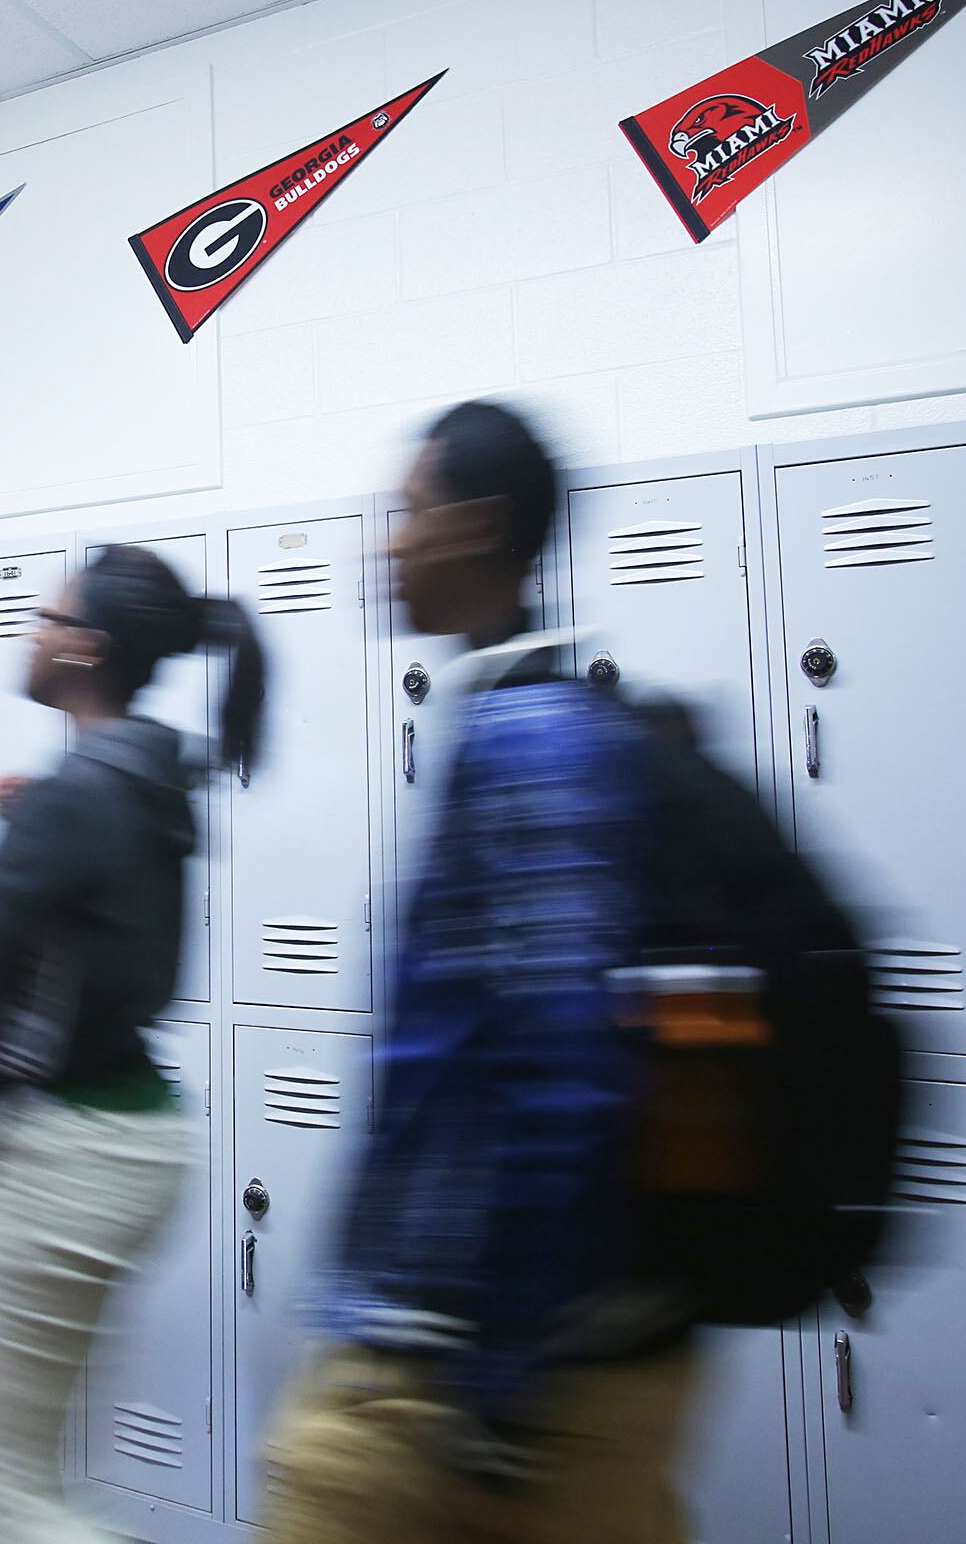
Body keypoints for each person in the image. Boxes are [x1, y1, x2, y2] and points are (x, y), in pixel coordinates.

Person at [263, 400, 696, 1544]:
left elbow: (565, 1066)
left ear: (478, 526)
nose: (382, 542)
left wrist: (499, 1401)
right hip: (455, 1346)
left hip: (442, 1363)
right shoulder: (513, 720)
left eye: (404, 512)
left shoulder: (530, 744)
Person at [0, 545, 267, 1544]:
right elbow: (92, 933)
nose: (34, 630)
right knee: (29, 1462)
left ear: (86, 647)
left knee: (7, 1490)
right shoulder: (149, 770)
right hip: (139, 1132)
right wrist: (23, 842)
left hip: (71, 1150)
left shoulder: (72, 793)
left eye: (49, 615)